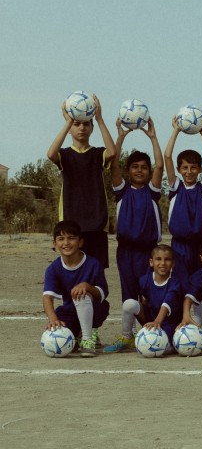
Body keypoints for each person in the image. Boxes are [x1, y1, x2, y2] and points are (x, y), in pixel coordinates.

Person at [47, 93, 116, 267]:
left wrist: (99, 119)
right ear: (70, 128)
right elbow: (50, 154)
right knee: (73, 273)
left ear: (92, 128)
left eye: (86, 124)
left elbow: (113, 152)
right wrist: (68, 121)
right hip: (72, 225)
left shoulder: (97, 153)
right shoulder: (66, 155)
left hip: (96, 224)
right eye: (77, 124)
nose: (82, 128)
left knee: (96, 273)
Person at [111, 118, 163, 302]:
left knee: (148, 292)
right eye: (135, 167)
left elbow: (160, 164)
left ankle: (151, 328)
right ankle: (128, 331)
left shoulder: (152, 192)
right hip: (126, 251)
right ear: (128, 170)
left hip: (149, 250)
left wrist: (153, 137)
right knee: (129, 291)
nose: (139, 171)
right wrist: (120, 137)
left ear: (149, 171)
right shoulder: (122, 191)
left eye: (144, 168)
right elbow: (113, 163)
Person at [42, 221, 110, 357]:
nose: (66, 243)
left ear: (80, 242)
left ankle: (87, 339)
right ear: (54, 244)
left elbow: (102, 294)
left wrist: (87, 286)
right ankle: (78, 335)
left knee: (82, 294)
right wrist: (53, 319)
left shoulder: (93, 263)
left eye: (71, 238)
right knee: (65, 343)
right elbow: (47, 297)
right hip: (69, 311)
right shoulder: (53, 269)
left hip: (95, 309)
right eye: (61, 239)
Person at [104, 244, 184, 355]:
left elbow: (167, 303)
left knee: (164, 348)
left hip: (168, 323)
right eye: (158, 259)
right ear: (151, 262)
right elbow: (144, 299)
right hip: (150, 319)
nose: (162, 263)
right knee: (129, 304)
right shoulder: (144, 279)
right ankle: (127, 337)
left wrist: (157, 322)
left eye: (167, 260)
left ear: (173, 264)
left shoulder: (175, 282)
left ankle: (169, 344)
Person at [163, 115, 202, 282]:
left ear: (200, 169)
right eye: (185, 168)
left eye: (193, 168)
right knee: (180, 284)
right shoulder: (176, 187)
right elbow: (167, 156)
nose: (189, 171)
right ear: (179, 169)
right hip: (179, 246)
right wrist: (176, 130)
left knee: (201, 284)